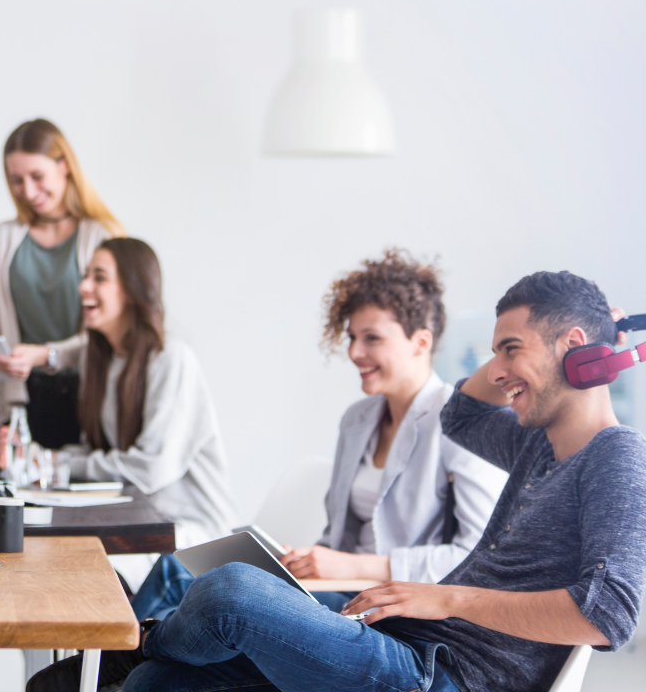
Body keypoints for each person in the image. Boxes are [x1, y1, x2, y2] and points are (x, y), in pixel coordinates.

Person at [30, 270, 646, 692]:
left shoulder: (618, 458)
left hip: (446, 675)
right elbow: (461, 412)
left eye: (511, 348)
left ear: (572, 346)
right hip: (411, 640)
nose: (500, 369)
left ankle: (132, 641)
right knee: (158, 682)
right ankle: (140, 655)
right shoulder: (539, 444)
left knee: (232, 592)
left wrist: (448, 598)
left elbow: (609, 615)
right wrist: (578, 351)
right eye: (497, 352)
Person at [130, 250, 508, 621]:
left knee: (185, 583)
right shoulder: (357, 420)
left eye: (372, 338)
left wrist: (351, 566)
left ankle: (112, 655)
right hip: (339, 588)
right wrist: (305, 561)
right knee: (180, 574)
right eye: (352, 337)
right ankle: (121, 654)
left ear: (420, 342)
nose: (354, 351)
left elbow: (477, 557)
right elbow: (338, 537)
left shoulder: (459, 424)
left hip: (388, 607)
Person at [17, 238, 238, 550]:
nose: (83, 287)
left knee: (78, 563)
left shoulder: (171, 358)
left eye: (100, 277)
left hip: (188, 536)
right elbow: (95, 450)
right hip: (133, 523)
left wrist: (60, 461)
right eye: (85, 276)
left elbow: (150, 468)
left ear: (133, 290)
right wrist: (40, 457)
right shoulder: (99, 361)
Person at [0, 119, 125, 449]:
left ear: (64, 166)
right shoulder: (2, 238)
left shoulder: (101, 236)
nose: (28, 191)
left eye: (37, 176)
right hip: (19, 400)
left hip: (85, 397)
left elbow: (110, 331)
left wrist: (45, 355)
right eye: (16, 180)